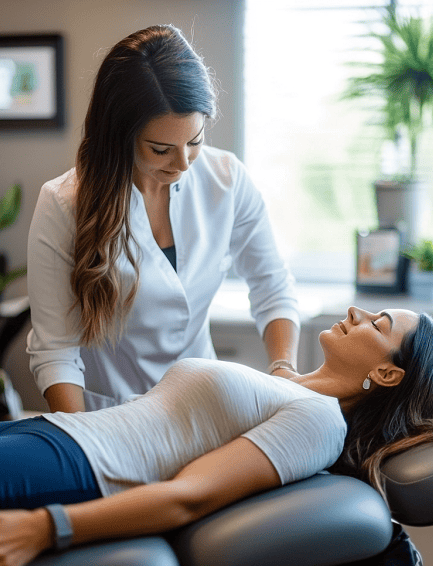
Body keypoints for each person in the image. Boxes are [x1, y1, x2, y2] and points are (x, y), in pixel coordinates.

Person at [0, 307, 433, 566]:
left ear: (385, 372)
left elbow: (187, 497)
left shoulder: (319, 422)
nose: (356, 313)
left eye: (378, 324)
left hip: (76, 467)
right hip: (46, 433)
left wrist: (46, 527)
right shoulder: (291, 389)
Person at [26, 24, 300, 413]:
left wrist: (283, 369)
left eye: (195, 141)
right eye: (161, 149)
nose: (184, 163)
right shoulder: (63, 204)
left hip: (204, 407)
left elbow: (273, 286)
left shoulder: (226, 179)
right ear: (120, 135)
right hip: (110, 415)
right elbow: (55, 351)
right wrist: (84, 443)